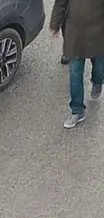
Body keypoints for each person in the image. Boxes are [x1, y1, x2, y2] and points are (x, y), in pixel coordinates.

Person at [49, 0, 104, 128]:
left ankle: (97, 80)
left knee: (99, 66)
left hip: (99, 32)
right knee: (75, 72)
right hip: (75, 33)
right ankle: (77, 110)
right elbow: (60, 3)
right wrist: (55, 24)